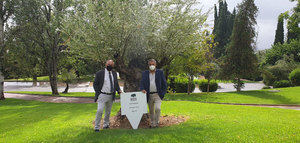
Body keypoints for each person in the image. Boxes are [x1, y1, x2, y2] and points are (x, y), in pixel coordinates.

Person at [93, 60, 122, 132]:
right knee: (100, 110)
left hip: (111, 95)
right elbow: (95, 84)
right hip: (102, 95)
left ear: (113, 66)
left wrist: (119, 90)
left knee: (108, 112)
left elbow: (116, 84)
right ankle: (97, 127)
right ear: (106, 64)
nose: (110, 65)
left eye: (111, 64)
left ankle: (106, 125)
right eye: (108, 64)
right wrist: (98, 93)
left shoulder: (114, 73)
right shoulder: (100, 73)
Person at [140, 59, 167, 128]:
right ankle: (152, 123)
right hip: (149, 95)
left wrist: (163, 93)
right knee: (151, 110)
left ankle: (157, 122)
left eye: (153, 64)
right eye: (150, 64)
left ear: (155, 65)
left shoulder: (160, 72)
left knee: (158, 108)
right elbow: (142, 83)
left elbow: (164, 84)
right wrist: (142, 89)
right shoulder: (145, 73)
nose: (151, 66)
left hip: (158, 94)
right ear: (148, 65)